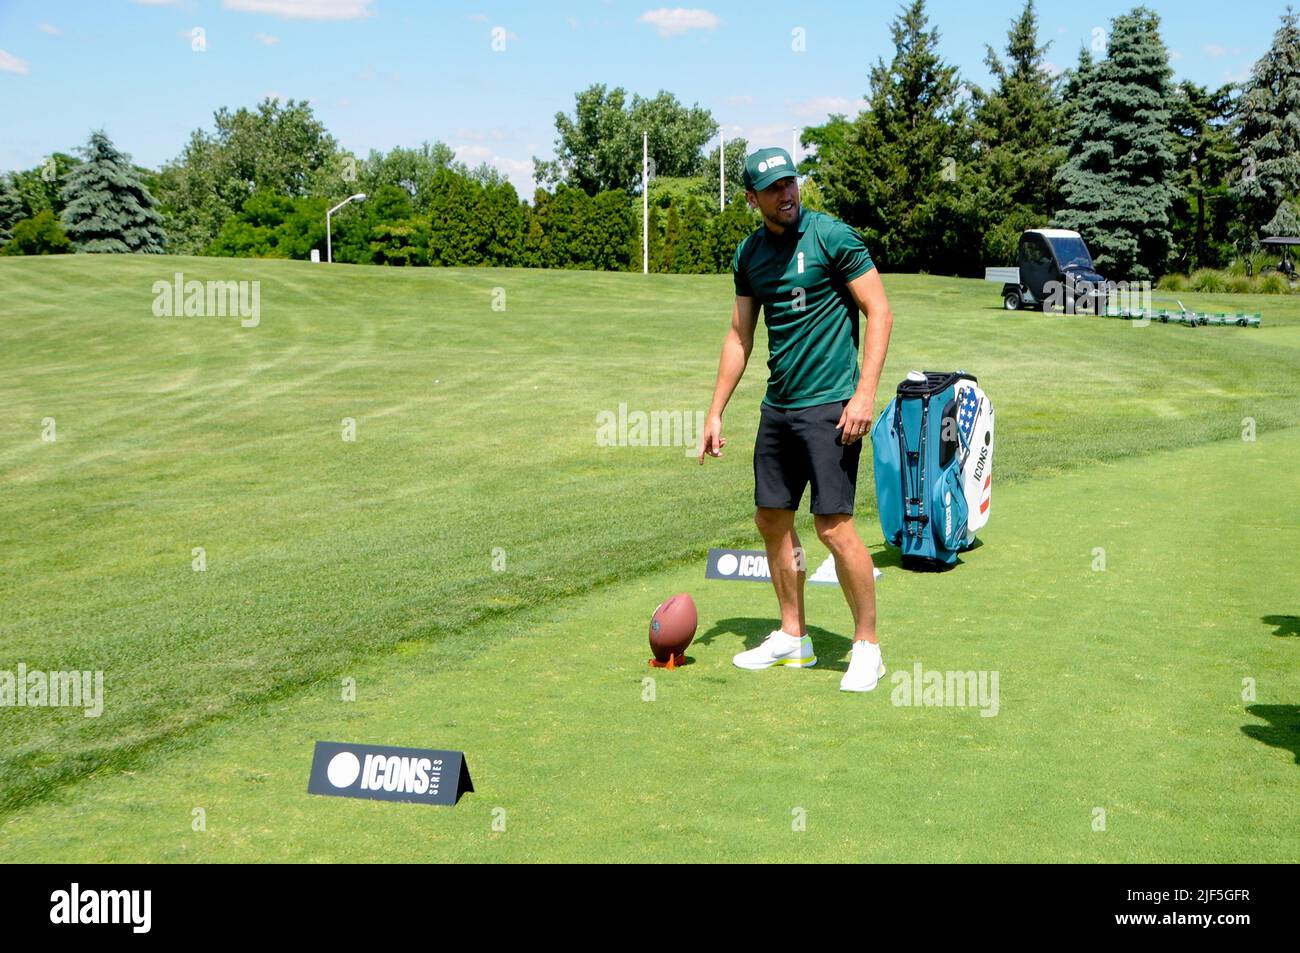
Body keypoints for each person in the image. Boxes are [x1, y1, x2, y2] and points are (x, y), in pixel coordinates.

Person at [699, 146, 894, 693]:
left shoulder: (832, 236)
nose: (787, 194)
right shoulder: (749, 255)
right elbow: (740, 336)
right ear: (752, 198)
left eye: (791, 183)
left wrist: (863, 395)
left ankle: (867, 648)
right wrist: (715, 410)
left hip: (832, 406)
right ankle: (794, 637)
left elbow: (879, 311)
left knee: (834, 526)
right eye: (773, 187)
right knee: (771, 519)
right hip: (778, 408)